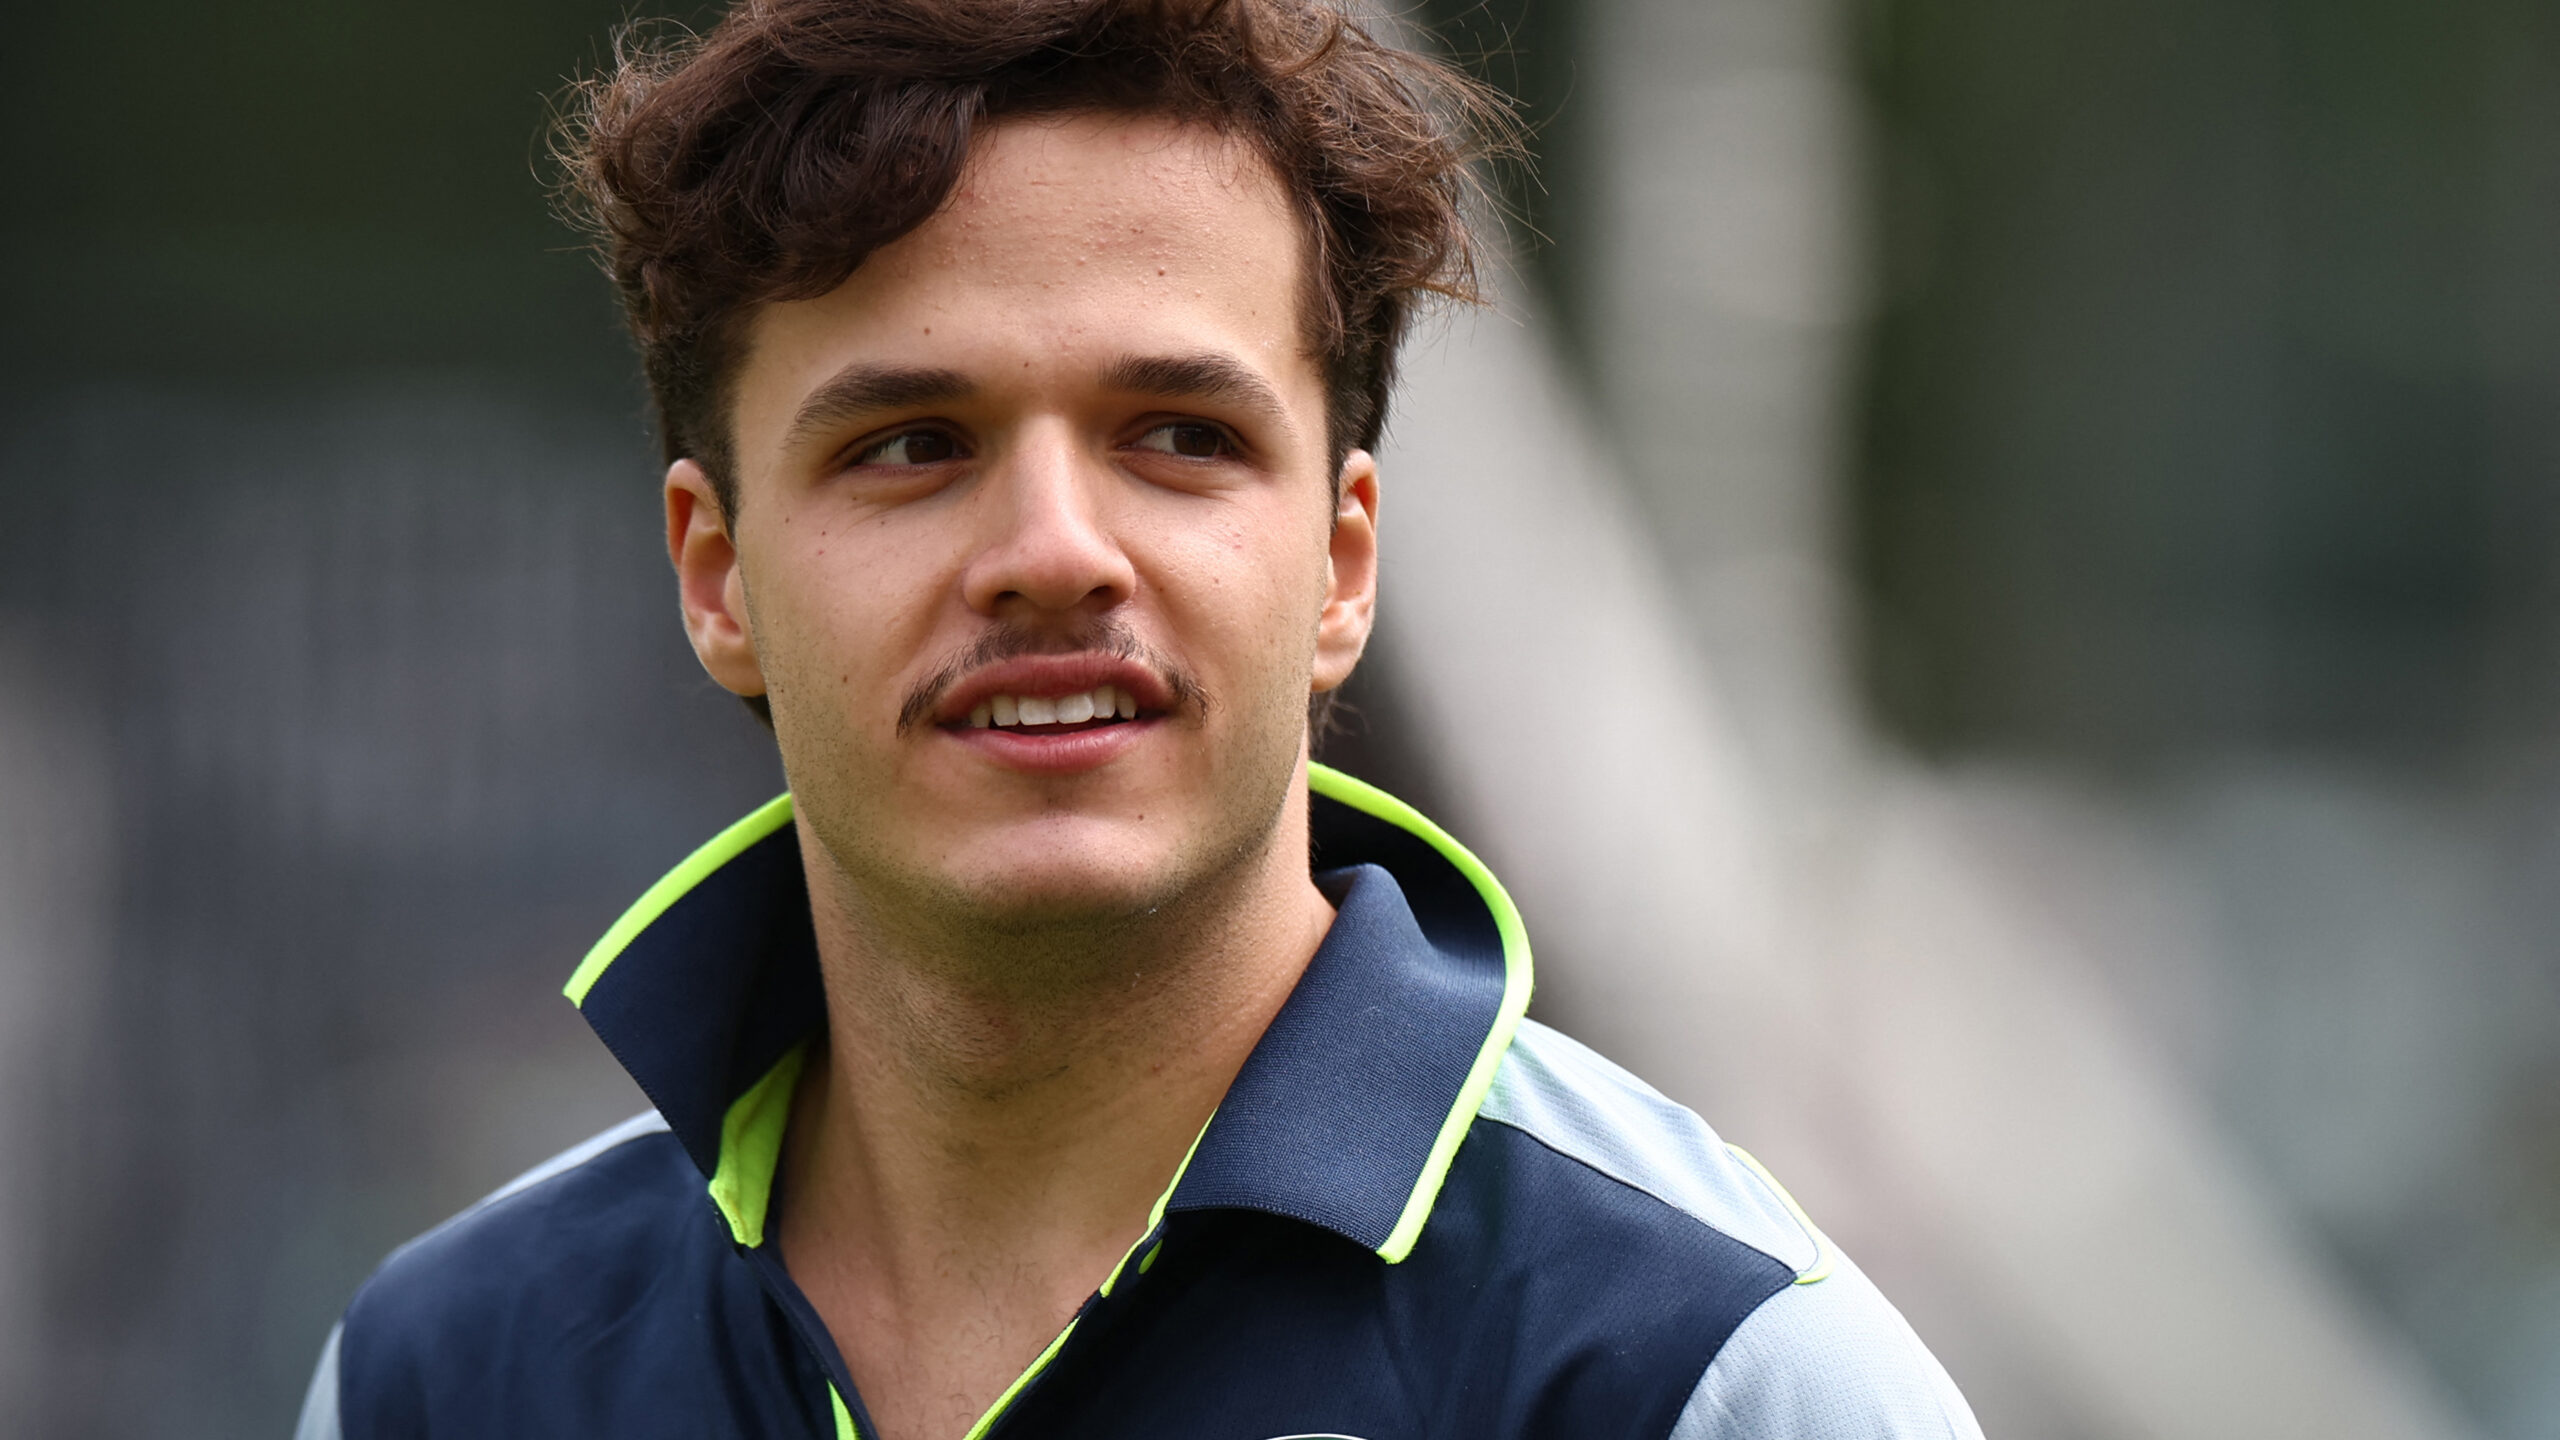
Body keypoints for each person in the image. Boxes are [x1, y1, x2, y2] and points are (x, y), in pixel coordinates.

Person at [297, 2, 1984, 1436]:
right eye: (912, 445)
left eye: (1179, 435)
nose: (1052, 553)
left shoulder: (1705, 1377)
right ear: (717, 573)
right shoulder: (441, 1378)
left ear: (1342, 566)